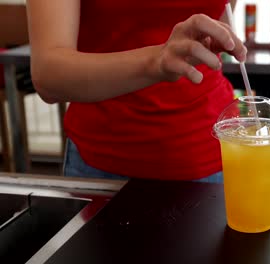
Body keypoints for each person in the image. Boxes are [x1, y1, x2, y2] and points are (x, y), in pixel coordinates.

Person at [26, 0, 246, 182]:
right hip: (105, 161)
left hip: (217, 151)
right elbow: (48, 74)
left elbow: (214, 36)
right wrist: (157, 62)